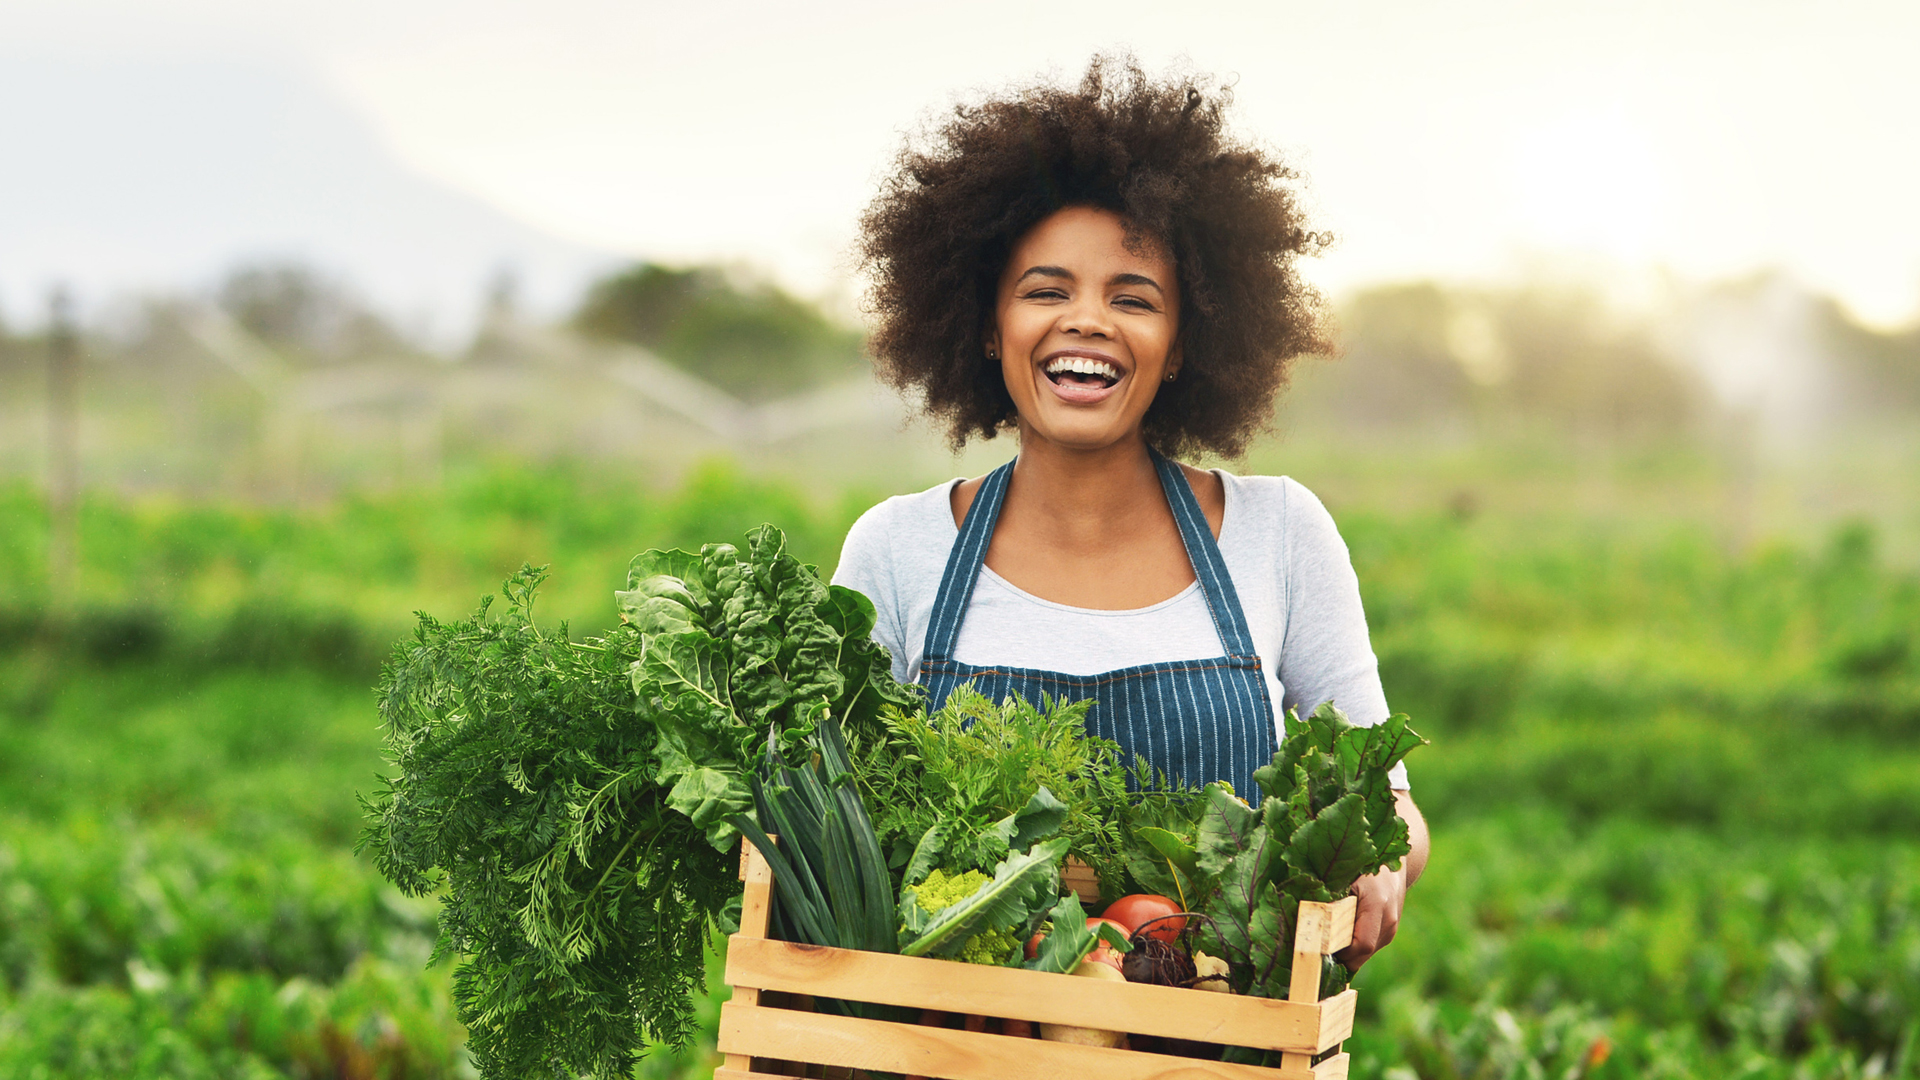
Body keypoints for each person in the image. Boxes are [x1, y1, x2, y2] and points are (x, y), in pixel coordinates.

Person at [832, 57, 1428, 970]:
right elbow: (826, 823)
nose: (1087, 320)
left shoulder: (1278, 532)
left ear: (1185, 341)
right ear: (987, 326)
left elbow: (1385, 798)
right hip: (953, 1051)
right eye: (1046, 290)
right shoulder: (898, 550)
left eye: (1132, 298)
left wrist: (1381, 862)